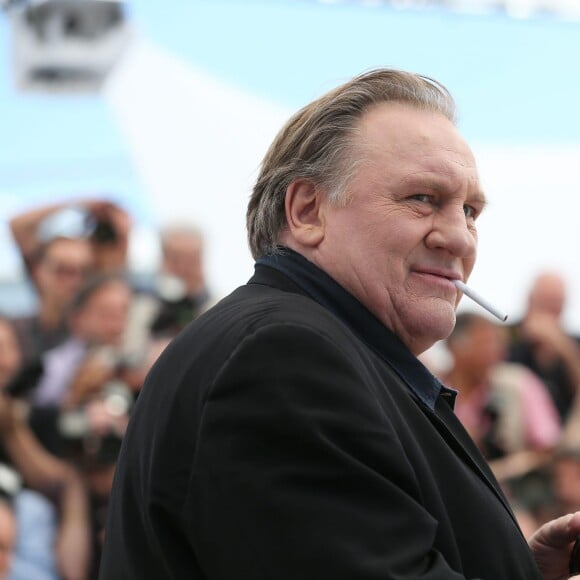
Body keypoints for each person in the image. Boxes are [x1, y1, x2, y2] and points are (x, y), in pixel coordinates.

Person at [100, 68, 580, 579]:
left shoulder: (309, 346)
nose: (460, 238)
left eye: (470, 210)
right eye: (423, 199)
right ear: (308, 211)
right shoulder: (283, 357)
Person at [443, 312, 561, 482]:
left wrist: (508, 467)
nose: (500, 352)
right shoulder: (431, 390)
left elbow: (549, 448)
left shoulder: (520, 384)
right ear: (457, 348)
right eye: (487, 343)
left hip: (512, 494)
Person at [508, 271, 580, 423]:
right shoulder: (508, 335)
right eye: (546, 301)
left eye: (558, 301)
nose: (552, 308)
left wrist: (564, 348)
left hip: (565, 431)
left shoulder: (573, 343)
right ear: (531, 300)